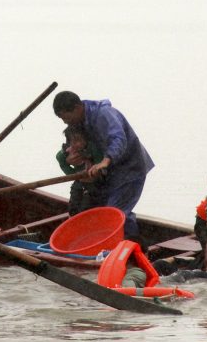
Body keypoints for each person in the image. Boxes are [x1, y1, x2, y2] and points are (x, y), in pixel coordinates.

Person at [53, 91, 154, 246]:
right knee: (108, 210)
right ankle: (126, 243)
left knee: (114, 212)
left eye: (66, 117)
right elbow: (75, 145)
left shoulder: (103, 114)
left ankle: (132, 250)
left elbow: (118, 138)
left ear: (77, 107)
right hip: (110, 173)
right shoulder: (79, 121)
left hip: (130, 168)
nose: (66, 122)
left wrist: (106, 160)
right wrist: (72, 159)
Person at [55, 124, 106, 215]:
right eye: (72, 141)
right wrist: (74, 174)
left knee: (87, 206)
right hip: (79, 181)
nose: (74, 144)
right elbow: (59, 157)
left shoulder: (93, 148)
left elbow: (101, 164)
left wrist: (96, 170)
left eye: (78, 140)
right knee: (74, 205)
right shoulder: (68, 150)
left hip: (95, 183)